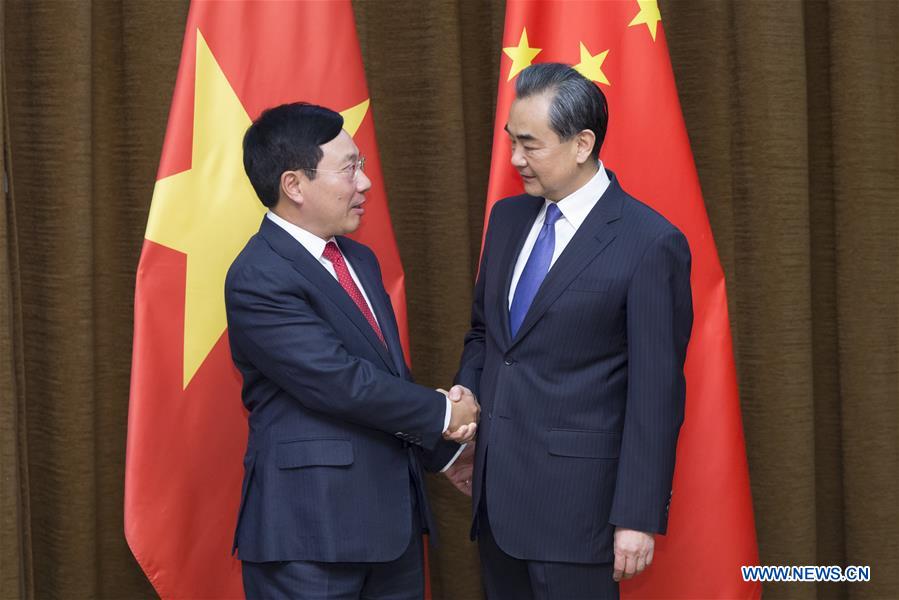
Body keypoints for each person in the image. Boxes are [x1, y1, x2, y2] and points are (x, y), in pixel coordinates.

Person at [452, 63, 693, 599]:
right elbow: (485, 335)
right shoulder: (508, 218)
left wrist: (637, 515)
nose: (514, 159)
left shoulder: (649, 242)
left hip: (580, 516)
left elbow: (656, 395)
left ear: (582, 144)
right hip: (496, 504)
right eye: (511, 142)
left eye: (530, 146)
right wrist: (469, 386)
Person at [225, 102, 478, 599]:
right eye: (349, 169)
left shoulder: (358, 259)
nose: (365, 183)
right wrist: (444, 411)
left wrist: (446, 452)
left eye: (361, 166)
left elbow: (387, 375)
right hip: (309, 533)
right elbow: (338, 382)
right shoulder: (258, 276)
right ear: (294, 185)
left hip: (392, 528)